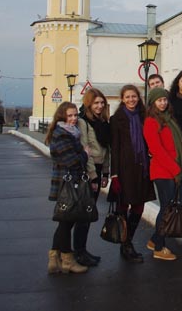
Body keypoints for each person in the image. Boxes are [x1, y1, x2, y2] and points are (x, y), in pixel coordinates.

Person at [142, 87, 182, 261]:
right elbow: (157, 150)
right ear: (153, 103)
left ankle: (155, 239)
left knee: (168, 207)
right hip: (163, 171)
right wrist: (175, 169)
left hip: (174, 169)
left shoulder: (169, 119)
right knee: (166, 208)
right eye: (159, 100)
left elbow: (179, 146)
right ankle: (159, 248)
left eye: (165, 100)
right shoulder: (151, 121)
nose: (163, 103)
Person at [109, 84, 157, 263]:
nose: (131, 100)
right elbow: (114, 148)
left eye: (134, 96)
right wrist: (114, 175)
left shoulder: (145, 116)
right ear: (122, 99)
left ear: (139, 98)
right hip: (125, 169)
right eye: (128, 97)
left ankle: (127, 242)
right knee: (123, 208)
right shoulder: (117, 119)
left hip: (142, 168)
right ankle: (126, 244)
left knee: (138, 207)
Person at [46, 102, 89, 274]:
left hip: (68, 182)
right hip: (66, 184)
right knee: (66, 222)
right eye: (70, 116)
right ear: (62, 116)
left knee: (65, 221)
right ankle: (67, 260)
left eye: (75, 115)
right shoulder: (61, 134)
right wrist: (85, 154)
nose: (73, 119)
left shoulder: (71, 132)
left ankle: (54, 258)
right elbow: (72, 161)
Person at [74, 89, 110, 267]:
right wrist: (93, 176)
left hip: (98, 168)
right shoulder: (83, 121)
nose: (99, 106)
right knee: (84, 213)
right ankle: (78, 252)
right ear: (88, 103)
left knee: (88, 212)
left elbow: (105, 150)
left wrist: (105, 173)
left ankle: (83, 249)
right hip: (88, 171)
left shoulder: (102, 121)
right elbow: (85, 150)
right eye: (96, 103)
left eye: (102, 103)